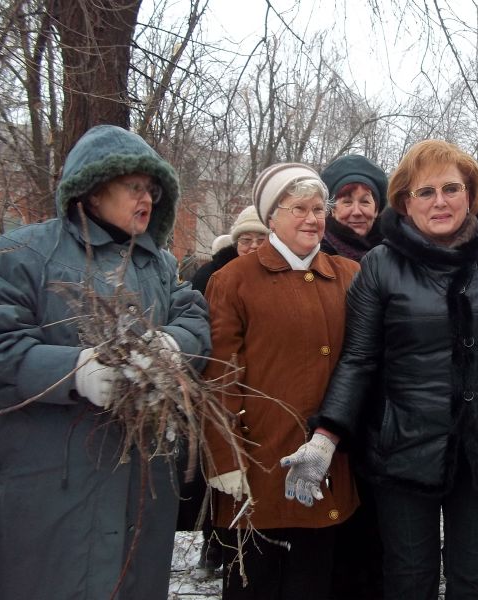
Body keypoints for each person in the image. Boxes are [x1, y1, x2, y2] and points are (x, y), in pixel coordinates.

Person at [285, 139, 478, 600]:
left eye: (451, 188)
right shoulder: (380, 266)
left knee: (477, 578)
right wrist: (327, 435)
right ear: (405, 202)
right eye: (425, 192)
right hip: (404, 448)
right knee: (410, 578)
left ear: (470, 193)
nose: (440, 201)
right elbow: (359, 358)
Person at [0, 124, 211, 599]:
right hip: (48, 491)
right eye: (134, 186)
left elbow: (196, 321)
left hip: (138, 492)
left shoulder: (160, 267)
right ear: (91, 187)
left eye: (152, 189)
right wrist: (78, 371)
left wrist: (170, 346)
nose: (146, 198)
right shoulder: (22, 254)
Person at [202, 163, 360, 600]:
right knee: (255, 584)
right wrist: (224, 457)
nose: (313, 218)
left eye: (318, 208)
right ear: (271, 216)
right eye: (299, 209)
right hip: (257, 466)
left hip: (328, 462)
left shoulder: (349, 275)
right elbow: (219, 374)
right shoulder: (233, 280)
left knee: (315, 581)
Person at [181, 206, 270, 580]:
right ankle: (213, 546)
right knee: (217, 474)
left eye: (259, 239)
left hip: (262, 388)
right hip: (216, 384)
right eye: (245, 239)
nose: (251, 246)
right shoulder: (214, 274)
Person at [319, 154, 387, 599]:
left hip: (382, 417)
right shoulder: (314, 253)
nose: (357, 210)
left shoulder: (395, 255)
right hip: (325, 409)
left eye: (366, 200)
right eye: (346, 200)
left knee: (377, 535)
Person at [319, 154, 387, 261]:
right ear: (332, 210)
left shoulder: (396, 255)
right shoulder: (315, 256)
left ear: (376, 210)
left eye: (365, 202)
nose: (357, 212)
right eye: (347, 202)